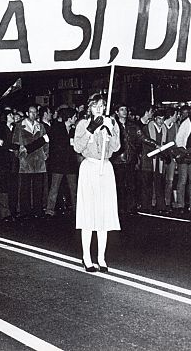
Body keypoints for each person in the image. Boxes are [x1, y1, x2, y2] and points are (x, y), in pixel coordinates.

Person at [72, 93, 120, 273]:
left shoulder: (111, 122)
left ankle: (101, 257)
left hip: (105, 168)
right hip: (90, 167)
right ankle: (86, 257)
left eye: (102, 106)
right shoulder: (83, 124)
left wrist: (111, 130)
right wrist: (91, 130)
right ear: (90, 107)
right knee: (88, 214)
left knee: (103, 215)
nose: (99, 109)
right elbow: (77, 147)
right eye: (96, 106)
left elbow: (115, 148)